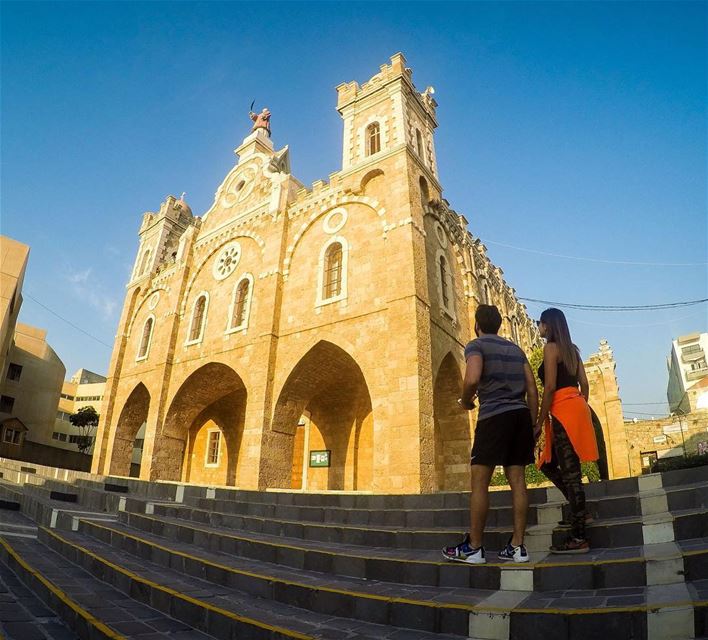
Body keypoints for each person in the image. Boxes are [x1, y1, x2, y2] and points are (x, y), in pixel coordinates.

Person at [442, 305, 539, 564]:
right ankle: (517, 546)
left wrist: (465, 400)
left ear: (477, 325)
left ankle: (474, 547)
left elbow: (472, 377)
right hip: (520, 416)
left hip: (494, 416)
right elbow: (532, 389)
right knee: (518, 481)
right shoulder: (516, 350)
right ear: (498, 324)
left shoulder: (476, 345)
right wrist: (533, 422)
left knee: (479, 482)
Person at [535, 308, 599, 554]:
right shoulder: (573, 350)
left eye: (540, 323)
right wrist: (580, 403)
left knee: (569, 473)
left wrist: (539, 421)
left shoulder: (550, 349)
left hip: (562, 409)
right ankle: (579, 512)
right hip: (577, 406)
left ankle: (579, 537)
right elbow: (585, 383)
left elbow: (550, 386)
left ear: (548, 325)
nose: (539, 327)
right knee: (549, 463)